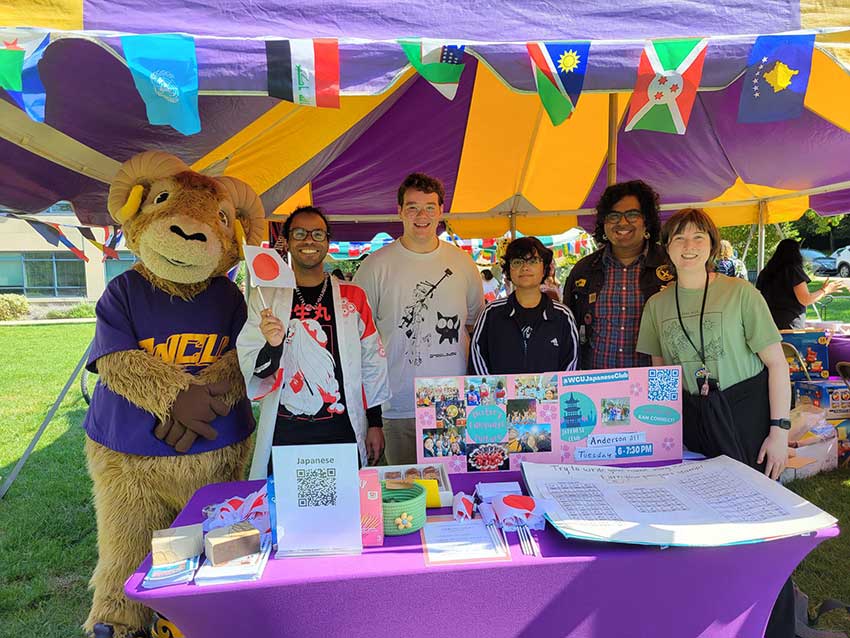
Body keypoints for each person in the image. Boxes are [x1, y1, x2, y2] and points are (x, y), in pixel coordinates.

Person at [636, 208, 793, 638]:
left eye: (698, 238)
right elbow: (661, 379)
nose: (689, 247)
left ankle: (771, 624)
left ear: (712, 245)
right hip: (693, 420)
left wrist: (779, 430)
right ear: (666, 247)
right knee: (703, 525)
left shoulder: (741, 294)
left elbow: (777, 365)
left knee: (762, 528)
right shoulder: (656, 305)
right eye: (679, 238)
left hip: (746, 416)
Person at [237, 206, 391, 477]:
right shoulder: (267, 298)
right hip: (286, 433)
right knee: (286, 513)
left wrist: (375, 423)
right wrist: (273, 345)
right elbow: (253, 367)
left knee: (346, 510)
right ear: (287, 241)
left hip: (342, 429)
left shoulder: (352, 296)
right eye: (299, 233)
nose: (309, 240)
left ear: (328, 241)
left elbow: (372, 363)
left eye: (317, 234)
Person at [354, 173, 484, 464]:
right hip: (395, 406)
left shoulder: (463, 263)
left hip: (451, 404)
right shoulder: (375, 266)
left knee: (449, 495)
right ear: (399, 211)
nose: (421, 215)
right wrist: (370, 414)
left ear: (441, 211)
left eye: (429, 207)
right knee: (402, 496)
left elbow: (474, 326)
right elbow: (359, 341)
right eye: (412, 207)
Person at [563, 180, 671, 370]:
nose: (622, 222)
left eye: (632, 214)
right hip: (596, 384)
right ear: (604, 223)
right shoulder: (584, 270)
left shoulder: (670, 265)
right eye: (613, 216)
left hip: (655, 383)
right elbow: (567, 331)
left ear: (646, 221)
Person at [469, 236, 579, 375]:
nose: (525, 267)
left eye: (533, 261)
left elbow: (571, 366)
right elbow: (477, 361)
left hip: (551, 396)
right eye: (517, 262)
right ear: (508, 270)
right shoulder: (490, 314)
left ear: (544, 269)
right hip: (500, 396)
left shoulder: (563, 316)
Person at [756, 238, 846, 330]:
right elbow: (805, 299)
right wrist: (825, 290)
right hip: (789, 325)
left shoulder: (765, 272)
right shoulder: (792, 270)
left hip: (767, 324)